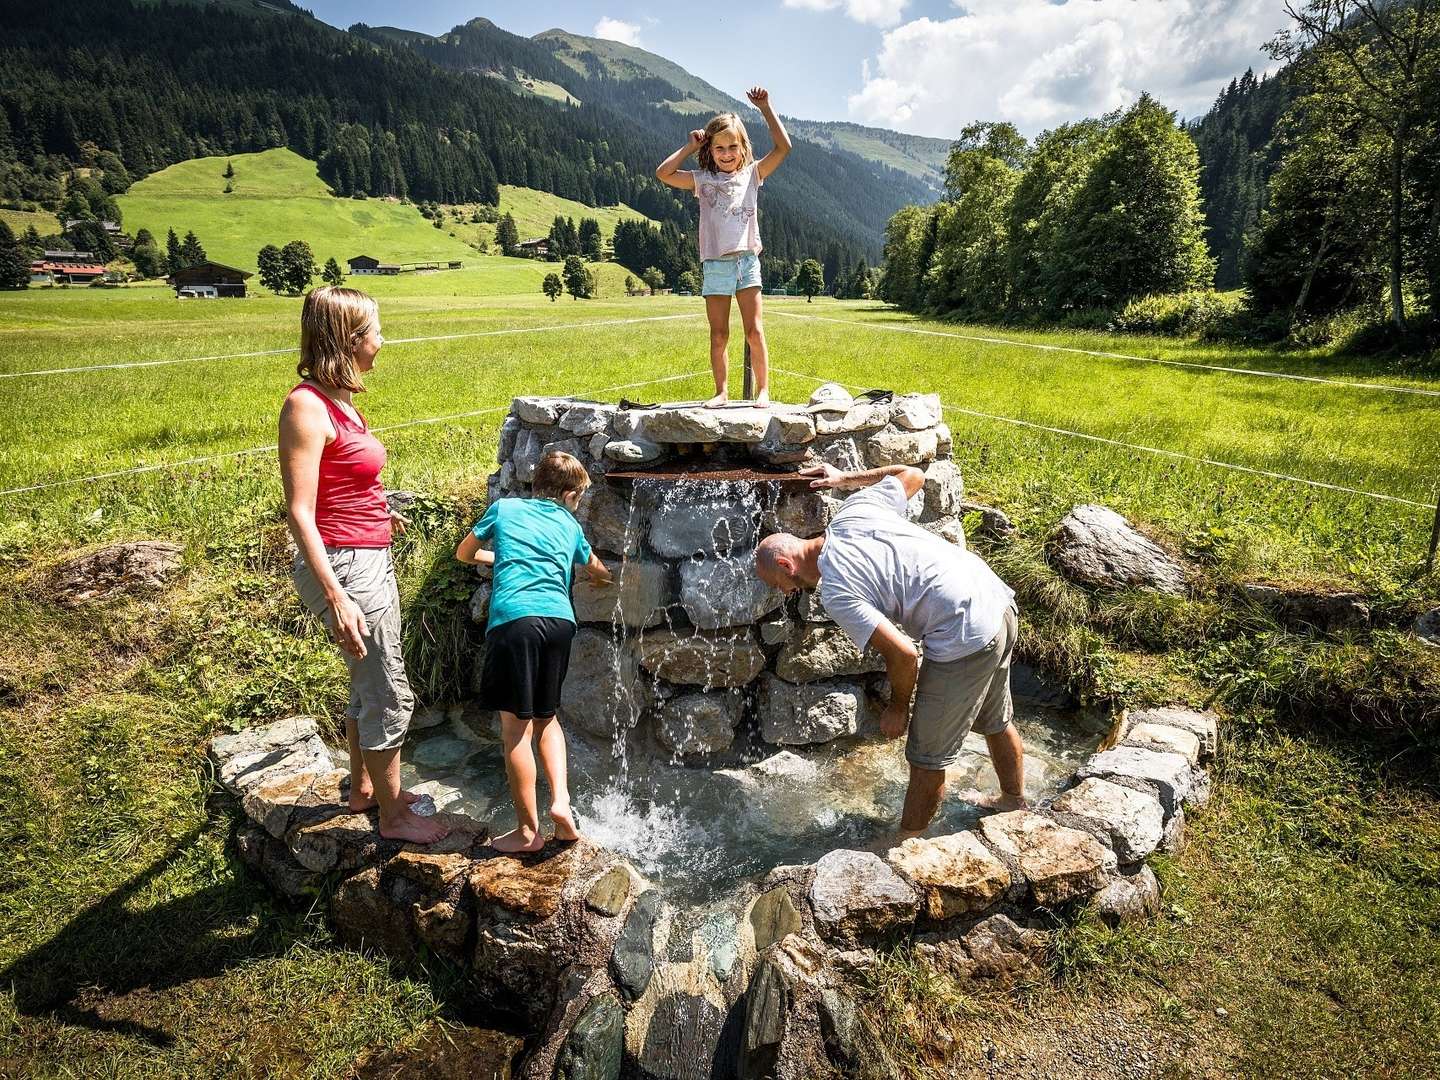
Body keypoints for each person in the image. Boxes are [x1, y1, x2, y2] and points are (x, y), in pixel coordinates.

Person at [755, 462, 1025, 839]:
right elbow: (914, 475)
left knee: (926, 756)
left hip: (964, 631)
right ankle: (1014, 801)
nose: (785, 592)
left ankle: (907, 845)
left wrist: (899, 707)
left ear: (787, 563)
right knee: (995, 720)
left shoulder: (835, 589)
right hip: (996, 601)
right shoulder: (854, 512)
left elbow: (904, 655)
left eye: (779, 583)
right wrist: (845, 479)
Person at [279, 286, 449, 845]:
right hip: (343, 565)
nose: (383, 340)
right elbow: (300, 511)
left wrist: (380, 517)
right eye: (376, 330)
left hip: (365, 549)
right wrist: (337, 595)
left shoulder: (344, 401)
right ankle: (395, 815)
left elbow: (347, 484)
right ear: (349, 339)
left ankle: (362, 790)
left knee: (367, 676)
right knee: (387, 685)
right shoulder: (305, 406)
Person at [456, 451, 613, 853]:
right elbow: (596, 569)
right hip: (560, 623)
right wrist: (603, 580)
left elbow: (464, 553)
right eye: (578, 497)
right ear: (568, 493)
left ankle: (528, 831)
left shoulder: (505, 509)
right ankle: (560, 802)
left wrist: (500, 558)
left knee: (515, 730)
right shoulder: (568, 522)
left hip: (514, 622)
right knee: (547, 719)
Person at [655, 87, 792, 409]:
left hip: (746, 262)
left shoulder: (754, 173)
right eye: (719, 148)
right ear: (711, 150)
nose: (727, 153)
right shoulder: (701, 180)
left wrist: (765, 108)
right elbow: (664, 173)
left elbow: (783, 147)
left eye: (733, 146)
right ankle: (721, 391)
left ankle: (763, 390)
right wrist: (690, 146)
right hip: (715, 264)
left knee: (754, 331)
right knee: (719, 335)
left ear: (743, 148)